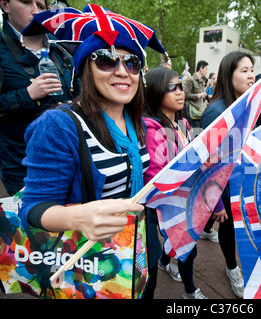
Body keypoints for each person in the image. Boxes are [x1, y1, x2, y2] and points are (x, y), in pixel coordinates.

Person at [18, 3, 168, 299]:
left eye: (132, 62)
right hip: (89, 261)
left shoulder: (138, 121)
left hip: (139, 247)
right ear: (85, 68)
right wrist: (78, 217)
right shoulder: (58, 125)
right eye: (107, 60)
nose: (123, 71)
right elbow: (32, 209)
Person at [0, 0, 78, 196]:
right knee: (36, 222)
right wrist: (26, 96)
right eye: (26, 2)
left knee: (76, 219)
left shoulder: (63, 46)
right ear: (5, 5)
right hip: (22, 162)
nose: (35, 11)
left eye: (41, 6)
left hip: (72, 153)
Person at [143, 67, 207, 299]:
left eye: (180, 86)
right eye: (172, 88)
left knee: (177, 243)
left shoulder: (184, 125)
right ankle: (190, 290)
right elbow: (155, 177)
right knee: (188, 247)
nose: (180, 92)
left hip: (184, 198)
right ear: (155, 92)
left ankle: (164, 260)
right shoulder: (149, 127)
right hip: (163, 202)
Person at [200, 51, 256, 298]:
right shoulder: (216, 112)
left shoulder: (245, 103)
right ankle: (232, 268)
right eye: (244, 71)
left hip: (240, 178)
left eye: (252, 69)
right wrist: (216, 201)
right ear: (227, 75)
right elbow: (209, 162)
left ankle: (207, 228)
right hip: (222, 183)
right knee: (228, 224)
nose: (251, 75)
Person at [184, 60, 208, 129]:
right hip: (194, 109)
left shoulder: (202, 80)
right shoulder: (191, 80)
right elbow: (186, 94)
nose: (207, 72)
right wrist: (198, 95)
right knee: (196, 131)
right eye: (206, 69)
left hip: (201, 109)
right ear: (201, 69)